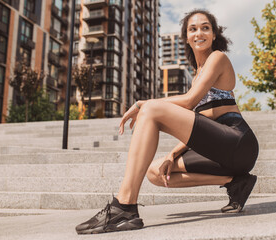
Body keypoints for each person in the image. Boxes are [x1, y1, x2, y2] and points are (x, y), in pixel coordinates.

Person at [75, 9, 259, 235]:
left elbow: (191, 102)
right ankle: (235, 181)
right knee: (155, 172)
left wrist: (143, 103)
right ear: (186, 37)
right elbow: (202, 123)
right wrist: (172, 154)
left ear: (213, 35)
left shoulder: (217, 58)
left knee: (151, 110)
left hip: (238, 142)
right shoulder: (198, 72)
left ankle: (123, 206)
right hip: (220, 149)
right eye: (192, 29)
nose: (198, 33)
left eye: (205, 28)